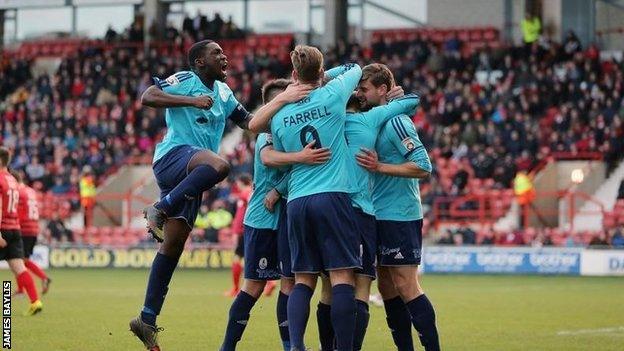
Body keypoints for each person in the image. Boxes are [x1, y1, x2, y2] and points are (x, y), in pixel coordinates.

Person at [129, 39, 309, 350]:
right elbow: (148, 96)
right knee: (220, 164)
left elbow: (251, 123)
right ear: (199, 62)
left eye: (224, 53)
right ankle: (160, 207)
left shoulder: (225, 93)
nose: (224, 57)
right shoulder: (186, 80)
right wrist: (191, 101)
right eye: (216, 53)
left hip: (193, 173)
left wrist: (283, 102)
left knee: (173, 246)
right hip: (174, 158)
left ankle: (146, 318)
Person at [248, 45, 363, 351]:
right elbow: (356, 68)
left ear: (294, 74)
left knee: (302, 280)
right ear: (322, 72)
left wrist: (287, 94)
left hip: (297, 201)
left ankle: (296, 347)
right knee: (341, 277)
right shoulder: (333, 93)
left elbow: (254, 125)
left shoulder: (282, 114)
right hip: (332, 196)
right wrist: (324, 77)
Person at [220, 79, 329, 351]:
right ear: (271, 103)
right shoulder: (267, 131)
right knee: (254, 287)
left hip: (288, 217)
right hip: (262, 219)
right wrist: (285, 180)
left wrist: (280, 190)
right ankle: (227, 346)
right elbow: (269, 159)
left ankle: (291, 345)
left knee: (290, 283)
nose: (291, 101)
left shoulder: (291, 129)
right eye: (284, 97)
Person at [356, 65, 440, 350]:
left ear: (382, 90)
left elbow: (423, 165)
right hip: (377, 214)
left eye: (364, 88)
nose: (359, 94)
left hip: (399, 214)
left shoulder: (397, 123)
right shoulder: (374, 120)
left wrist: (380, 166)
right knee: (386, 288)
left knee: (406, 286)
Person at [0, 147, 42, 316]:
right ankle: (35, 301)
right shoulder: (13, 180)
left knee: (18, 266)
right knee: (19, 267)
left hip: (3, 228)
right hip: (15, 228)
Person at [11, 170, 51, 295]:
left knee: (16, 259)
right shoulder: (31, 191)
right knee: (21, 260)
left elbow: (15, 211)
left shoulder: (17, 192)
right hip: (33, 228)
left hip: (23, 228)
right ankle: (21, 289)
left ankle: (42, 278)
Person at [225, 173, 253, 297]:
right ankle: (269, 283)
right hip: (249, 229)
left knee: (238, 258)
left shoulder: (244, 194)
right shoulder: (251, 192)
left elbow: (240, 216)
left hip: (243, 231)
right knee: (251, 258)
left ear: (241, 182)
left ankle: (236, 289)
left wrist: (236, 231)